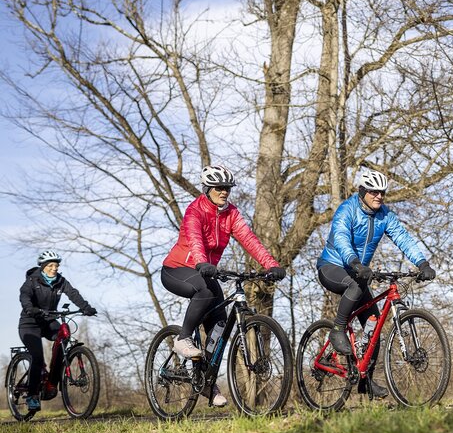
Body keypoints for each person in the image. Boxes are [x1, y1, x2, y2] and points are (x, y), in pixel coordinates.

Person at [161, 165, 286, 407]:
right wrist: (202, 262)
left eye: (227, 188)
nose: (225, 192)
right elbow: (195, 239)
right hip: (177, 270)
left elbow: (249, 239)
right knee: (205, 290)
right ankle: (183, 338)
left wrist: (271, 264)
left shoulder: (231, 214)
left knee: (219, 324)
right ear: (208, 189)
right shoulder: (194, 211)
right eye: (219, 187)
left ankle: (207, 381)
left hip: (206, 272)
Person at [317, 169, 437, 399]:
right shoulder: (347, 210)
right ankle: (337, 329)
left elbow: (403, 237)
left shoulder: (384, 216)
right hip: (332, 266)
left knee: (373, 326)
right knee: (355, 284)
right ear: (362, 192)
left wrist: (422, 263)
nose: (379, 196)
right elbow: (341, 237)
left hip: (359, 273)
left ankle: (366, 381)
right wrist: (354, 262)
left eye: (382, 192)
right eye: (374, 192)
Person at [18, 250, 97, 413]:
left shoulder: (61, 281)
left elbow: (73, 294)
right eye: (51, 265)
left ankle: (52, 382)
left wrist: (86, 308)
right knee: (37, 358)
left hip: (48, 321)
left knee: (64, 333)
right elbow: (24, 296)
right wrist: (31, 309)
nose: (54, 268)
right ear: (44, 266)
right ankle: (33, 396)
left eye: (56, 265)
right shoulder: (32, 280)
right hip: (30, 323)